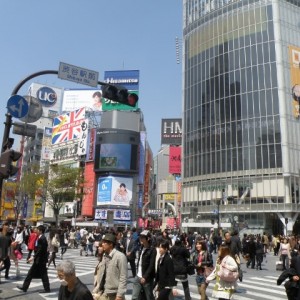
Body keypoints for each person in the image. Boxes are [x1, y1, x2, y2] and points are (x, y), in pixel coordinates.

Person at [93, 233, 127, 300]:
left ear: (111, 244)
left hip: (114, 294)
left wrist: (119, 295)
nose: (102, 244)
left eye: (104, 242)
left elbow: (123, 277)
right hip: (103, 292)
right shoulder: (104, 256)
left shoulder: (120, 257)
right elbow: (102, 274)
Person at [17, 225, 51, 293]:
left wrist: (33, 257)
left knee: (42, 274)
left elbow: (40, 250)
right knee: (32, 273)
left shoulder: (42, 239)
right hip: (39, 259)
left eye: (37, 230)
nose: (36, 231)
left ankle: (47, 289)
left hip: (40, 260)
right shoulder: (40, 237)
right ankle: (25, 287)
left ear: (40, 231)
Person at [132, 230, 157, 300]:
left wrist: (145, 277)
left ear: (148, 238)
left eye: (142, 237)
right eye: (140, 237)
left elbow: (151, 265)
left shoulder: (152, 250)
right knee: (134, 297)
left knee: (149, 297)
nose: (140, 239)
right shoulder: (141, 247)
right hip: (138, 276)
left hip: (147, 278)